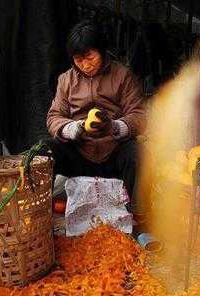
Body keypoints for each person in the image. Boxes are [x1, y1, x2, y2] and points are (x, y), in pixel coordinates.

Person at [46, 19, 145, 215]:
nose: (85, 65)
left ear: (102, 50)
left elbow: (140, 115)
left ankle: (136, 214)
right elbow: (54, 116)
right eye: (78, 59)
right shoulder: (66, 80)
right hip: (79, 153)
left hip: (114, 153)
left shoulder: (122, 75)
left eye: (89, 57)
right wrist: (73, 128)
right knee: (45, 150)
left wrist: (116, 127)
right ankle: (40, 209)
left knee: (138, 153)